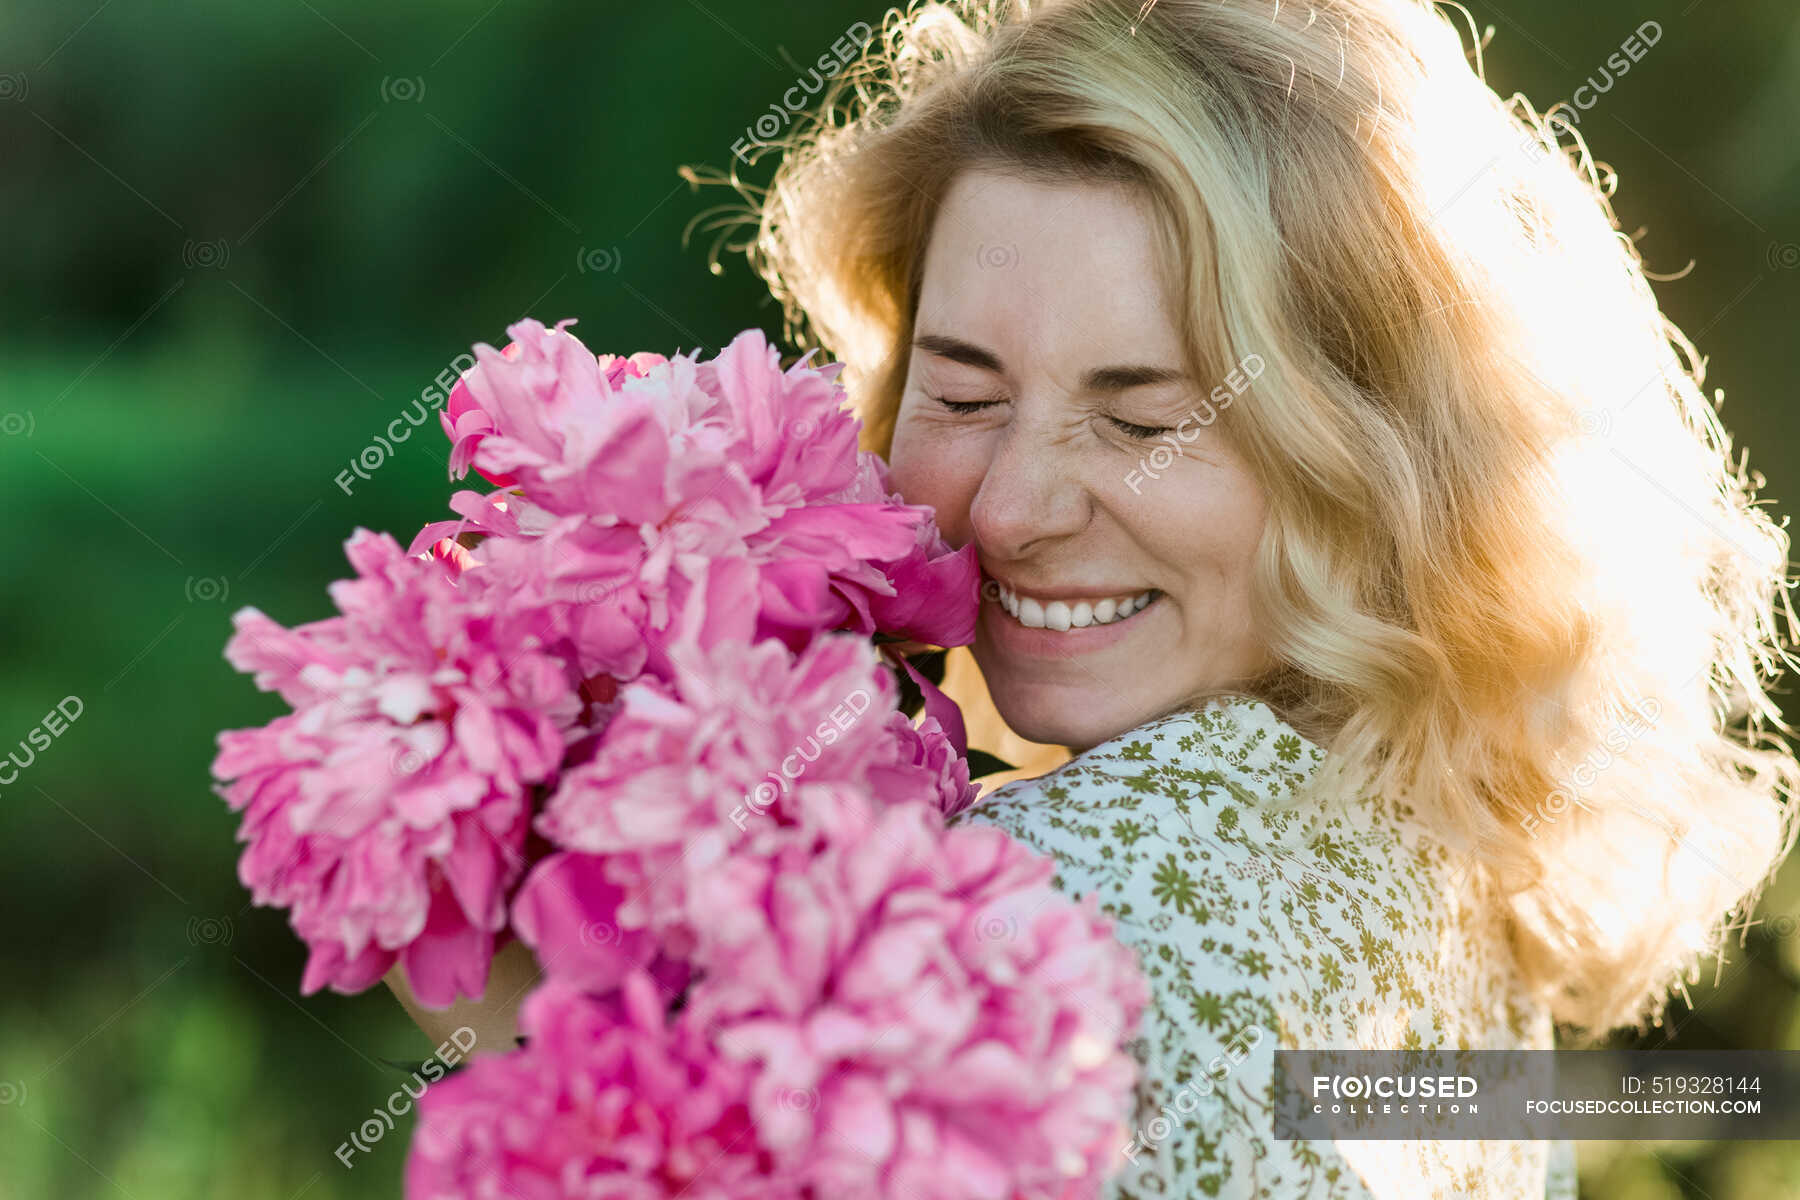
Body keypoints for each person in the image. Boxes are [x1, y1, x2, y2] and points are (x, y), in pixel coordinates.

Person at [687, 0, 1798, 1193]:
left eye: (1145, 421)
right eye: (962, 398)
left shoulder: (1036, 906)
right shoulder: (1432, 855)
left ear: (1379, 462)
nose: (1009, 511)